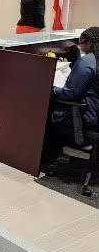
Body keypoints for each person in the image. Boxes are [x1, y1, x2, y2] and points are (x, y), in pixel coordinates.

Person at [42, 26, 99, 164]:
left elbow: (70, 94)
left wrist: (51, 89)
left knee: (45, 113)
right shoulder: (91, 61)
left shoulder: (87, 63)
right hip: (95, 111)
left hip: (88, 116)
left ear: (89, 43)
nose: (79, 45)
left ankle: (46, 160)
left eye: (81, 42)